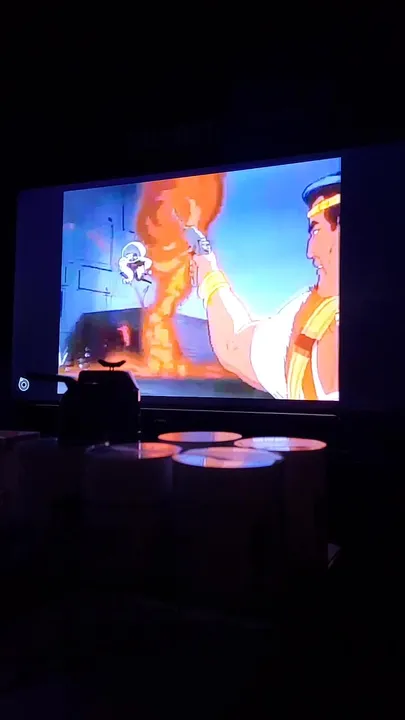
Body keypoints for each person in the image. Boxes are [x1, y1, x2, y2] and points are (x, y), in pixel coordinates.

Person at [191, 172, 341, 400]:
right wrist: (208, 272)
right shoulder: (310, 316)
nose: (310, 252)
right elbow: (234, 345)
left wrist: (208, 273)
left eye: (317, 229)